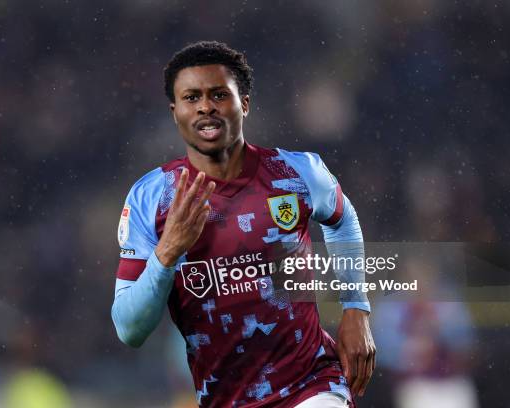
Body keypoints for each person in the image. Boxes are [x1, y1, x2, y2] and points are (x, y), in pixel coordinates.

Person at [112, 41, 375, 407]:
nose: (206, 106)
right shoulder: (150, 199)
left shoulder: (297, 173)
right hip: (225, 397)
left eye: (219, 94)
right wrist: (167, 252)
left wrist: (356, 307)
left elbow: (343, 219)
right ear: (175, 112)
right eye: (191, 97)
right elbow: (129, 329)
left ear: (244, 104)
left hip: (311, 384)